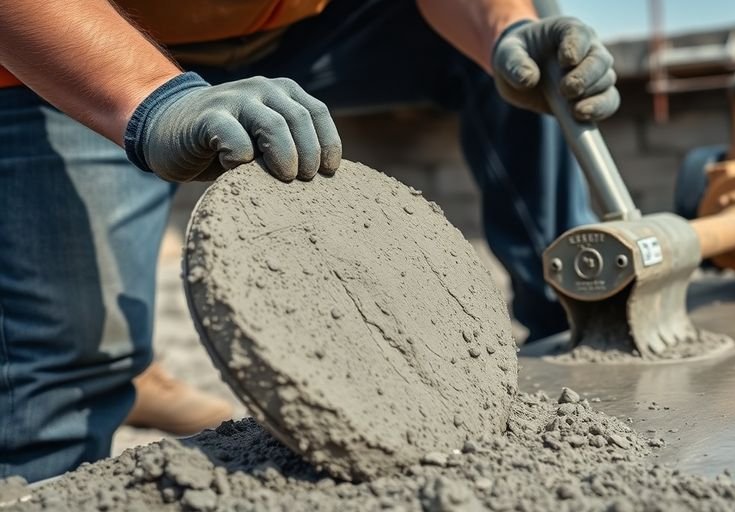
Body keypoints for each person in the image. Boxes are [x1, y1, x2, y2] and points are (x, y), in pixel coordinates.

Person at [0, 0, 619, 481]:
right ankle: (51, 465)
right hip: (80, 36)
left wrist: (501, 28)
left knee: (523, 46)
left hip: (313, 33)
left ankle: (581, 322)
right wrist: (151, 101)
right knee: (68, 359)